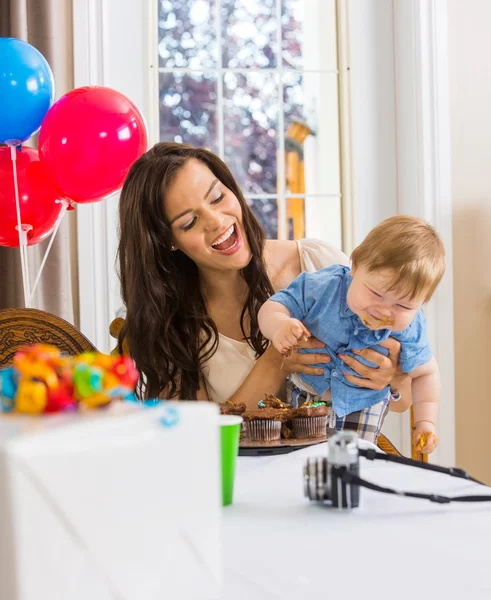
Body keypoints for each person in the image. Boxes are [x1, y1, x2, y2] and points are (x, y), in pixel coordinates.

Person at [117, 142, 410, 442]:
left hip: (336, 473)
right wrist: (275, 361)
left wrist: (394, 377)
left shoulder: (317, 264)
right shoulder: (170, 325)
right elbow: (200, 444)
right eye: (190, 222)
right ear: (167, 241)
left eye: (218, 197)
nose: (217, 221)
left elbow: (403, 401)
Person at [258, 216, 445, 453]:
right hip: (305, 392)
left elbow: (427, 373)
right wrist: (279, 325)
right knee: (300, 457)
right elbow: (272, 307)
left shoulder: (412, 327)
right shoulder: (322, 287)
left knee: (354, 463)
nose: (384, 310)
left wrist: (426, 421)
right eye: (376, 293)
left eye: (403, 306)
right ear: (355, 265)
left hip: (363, 405)